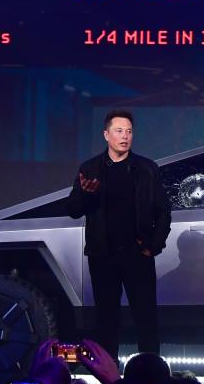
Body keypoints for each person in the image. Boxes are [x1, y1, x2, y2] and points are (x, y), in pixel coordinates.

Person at [63, 109, 172, 359]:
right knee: (106, 322)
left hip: (138, 254)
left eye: (129, 131)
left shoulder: (147, 169)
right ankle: (108, 380)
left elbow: (163, 211)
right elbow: (72, 210)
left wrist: (153, 246)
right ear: (106, 134)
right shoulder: (90, 168)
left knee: (146, 319)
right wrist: (86, 194)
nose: (125, 136)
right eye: (119, 131)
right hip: (103, 256)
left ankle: (149, 376)